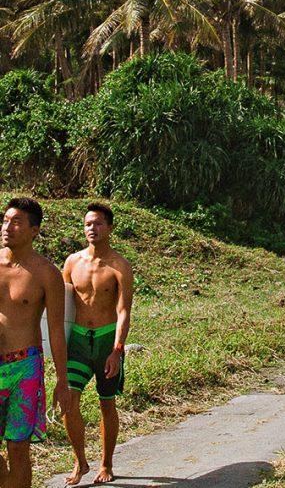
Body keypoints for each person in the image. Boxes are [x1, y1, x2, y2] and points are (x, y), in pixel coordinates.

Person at [0, 197, 70, 488]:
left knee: (18, 449)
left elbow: (55, 330)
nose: (7, 227)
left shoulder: (46, 274)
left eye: (16, 222)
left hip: (24, 368)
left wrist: (62, 382)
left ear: (34, 231)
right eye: (5, 220)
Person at [62, 202, 133, 485]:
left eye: (99, 223)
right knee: (69, 402)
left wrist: (117, 350)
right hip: (77, 341)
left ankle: (106, 464)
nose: (93, 228)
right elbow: (62, 307)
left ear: (110, 228)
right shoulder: (72, 262)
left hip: (106, 341)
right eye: (89, 223)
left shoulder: (119, 266)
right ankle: (80, 461)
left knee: (107, 403)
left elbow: (123, 311)